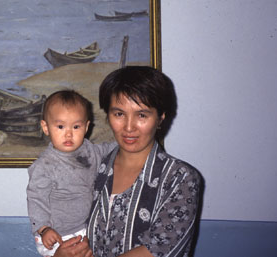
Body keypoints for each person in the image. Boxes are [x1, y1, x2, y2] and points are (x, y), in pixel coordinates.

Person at [54, 66, 202, 257]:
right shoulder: (95, 168)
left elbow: (159, 250)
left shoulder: (179, 177)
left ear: (160, 118)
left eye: (142, 115)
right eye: (119, 114)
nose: (129, 127)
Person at [27, 90, 116, 257]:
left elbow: (107, 149)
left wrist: (124, 143)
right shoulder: (45, 165)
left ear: (86, 127)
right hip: (56, 234)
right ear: (46, 127)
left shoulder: (91, 150)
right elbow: (36, 199)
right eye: (60, 126)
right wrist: (43, 228)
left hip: (86, 228)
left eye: (76, 127)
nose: (68, 133)